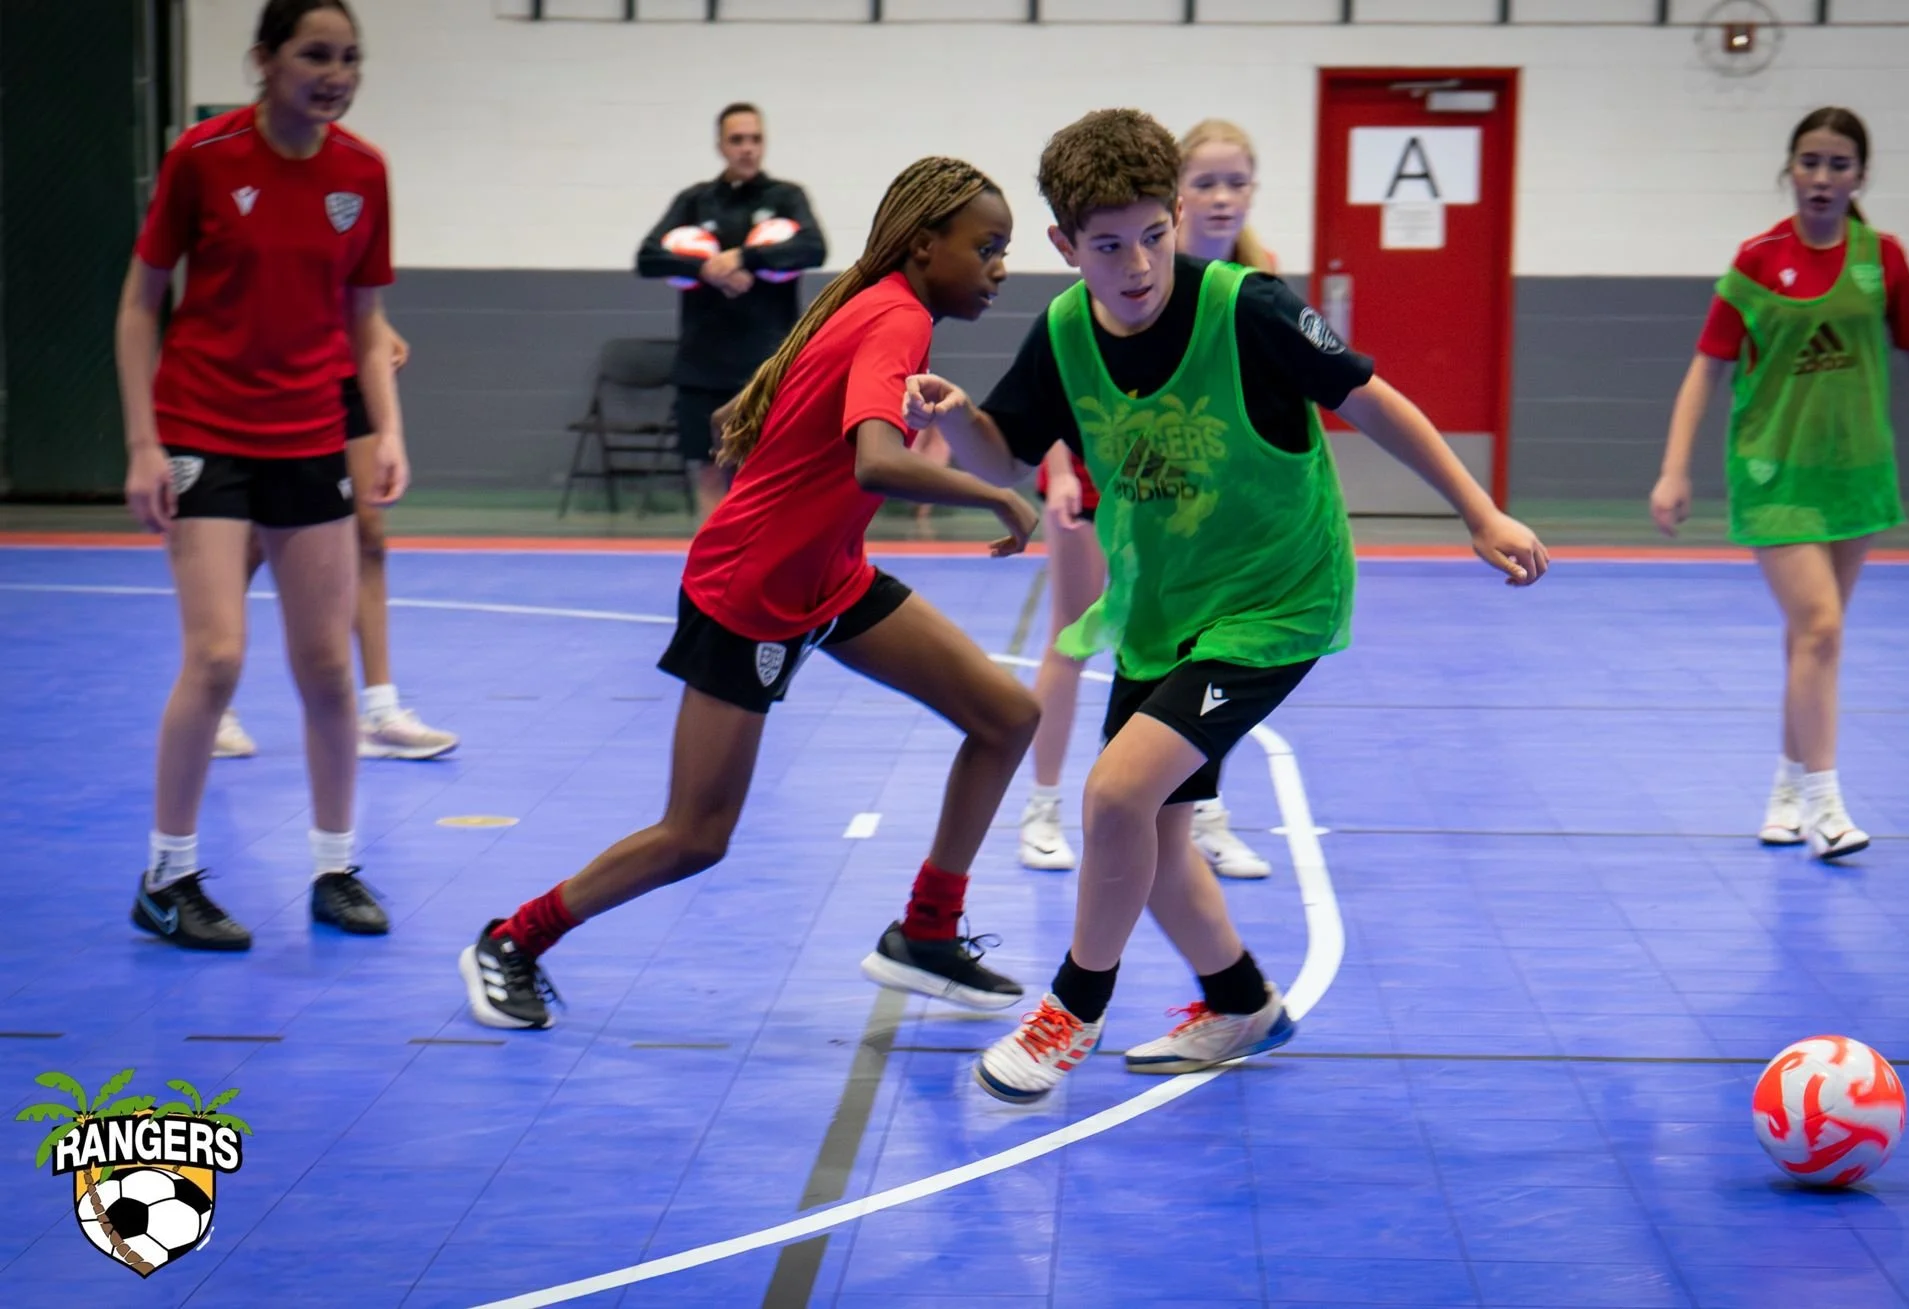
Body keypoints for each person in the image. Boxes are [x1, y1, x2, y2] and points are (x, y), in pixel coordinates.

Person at [905, 109, 1548, 1103]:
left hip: (1274, 603)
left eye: (1151, 236)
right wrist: (959, 428)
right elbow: (1011, 451)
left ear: (1173, 221)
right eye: (1106, 246)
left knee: (1117, 795)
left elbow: (1372, 398)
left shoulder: (1246, 308)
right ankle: (1238, 999)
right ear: (1063, 247)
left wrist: (1477, 509)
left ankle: (1072, 1007)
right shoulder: (1066, 332)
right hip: (1164, 612)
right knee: (1153, 834)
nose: (1135, 265)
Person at [459, 157, 1041, 1032]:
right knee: (697, 834)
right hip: (751, 590)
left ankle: (926, 931)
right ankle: (512, 939)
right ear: (925, 246)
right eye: (987, 247)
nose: (999, 267)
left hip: (828, 576)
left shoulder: (884, 308)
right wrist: (995, 494)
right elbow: (877, 460)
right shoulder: (897, 316)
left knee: (1007, 717)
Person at [118, 0, 399, 951]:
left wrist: (387, 430)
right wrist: (143, 443)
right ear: (264, 61)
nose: (335, 72)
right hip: (205, 430)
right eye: (315, 54)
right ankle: (168, 875)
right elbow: (139, 304)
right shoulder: (203, 159)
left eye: (350, 57)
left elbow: (365, 319)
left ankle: (335, 866)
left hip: (310, 435)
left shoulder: (362, 173)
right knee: (219, 655)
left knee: (326, 664)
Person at [1651, 106, 1909, 862]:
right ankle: (1826, 804)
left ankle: (1784, 792)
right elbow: (1705, 368)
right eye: (1810, 162)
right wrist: (1674, 466)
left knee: (1810, 641)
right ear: (1789, 170)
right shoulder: (1756, 261)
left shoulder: (1882, 258)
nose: (1822, 177)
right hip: (1773, 474)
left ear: (1860, 177)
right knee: (1820, 628)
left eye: (1839, 164)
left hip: (1856, 476)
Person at [1017, 117, 1277, 881]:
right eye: (1206, 182)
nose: (1222, 197)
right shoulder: (1127, 264)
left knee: (1204, 649)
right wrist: (1061, 469)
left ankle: (1202, 812)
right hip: (1103, 478)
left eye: (1237, 181)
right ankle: (1041, 806)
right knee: (1076, 634)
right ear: (1177, 195)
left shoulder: (1249, 287)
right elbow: (1062, 371)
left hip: (1187, 493)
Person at [214, 326, 461, 762]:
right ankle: (213, 700)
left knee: (369, 532)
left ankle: (381, 714)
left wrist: (377, 327)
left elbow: (349, 274)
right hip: (279, 367)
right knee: (257, 538)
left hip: (346, 367)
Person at [636, 103, 826, 517]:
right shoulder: (694, 201)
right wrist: (704, 267)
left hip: (765, 362)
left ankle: (763, 569)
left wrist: (743, 258)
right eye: (737, 140)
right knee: (707, 469)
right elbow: (647, 258)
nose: (747, 149)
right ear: (721, 145)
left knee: (762, 471)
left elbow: (814, 248)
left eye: (755, 139)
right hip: (702, 361)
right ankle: (712, 572)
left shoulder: (786, 198)